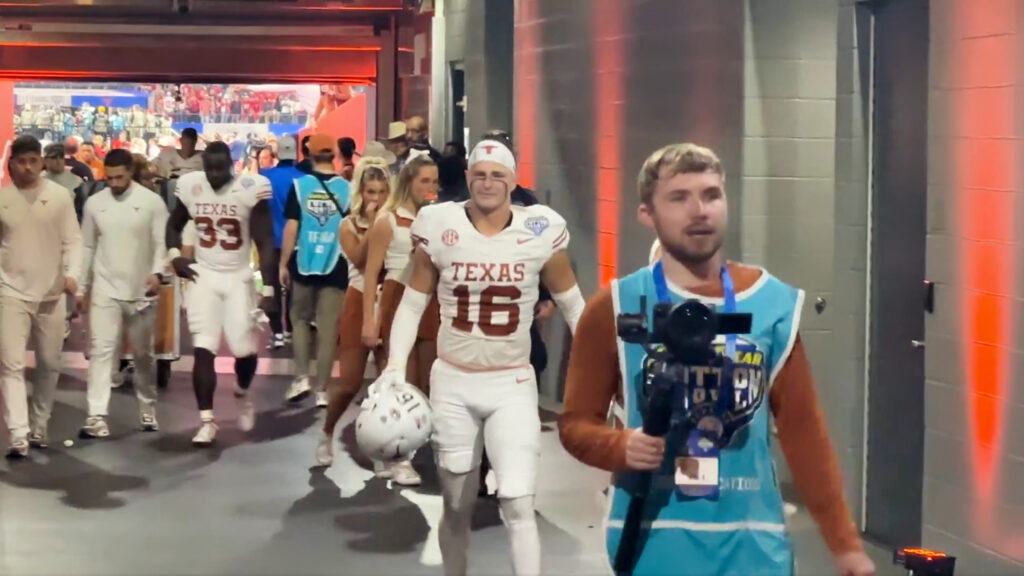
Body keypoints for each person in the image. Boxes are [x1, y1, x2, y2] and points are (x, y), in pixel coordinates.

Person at [557, 143, 876, 576]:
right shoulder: (614, 307)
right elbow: (575, 423)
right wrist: (620, 445)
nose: (699, 211)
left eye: (711, 195)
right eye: (679, 197)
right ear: (647, 214)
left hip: (752, 546)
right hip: (652, 542)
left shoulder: (771, 304)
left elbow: (805, 433)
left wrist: (844, 544)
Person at [372, 138, 586, 575]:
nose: (488, 182)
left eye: (498, 174)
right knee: (456, 505)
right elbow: (413, 304)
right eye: (480, 173)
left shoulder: (539, 229)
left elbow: (575, 307)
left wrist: (607, 369)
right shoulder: (439, 223)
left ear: (513, 180)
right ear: (468, 178)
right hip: (453, 381)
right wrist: (395, 366)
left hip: (512, 383)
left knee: (518, 500)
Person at [164, 142, 277, 446]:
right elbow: (173, 225)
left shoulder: (250, 188)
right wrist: (175, 255)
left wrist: (268, 286)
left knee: (244, 351)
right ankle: (206, 421)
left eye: (219, 168)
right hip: (205, 274)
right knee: (203, 347)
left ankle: (242, 390)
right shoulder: (191, 186)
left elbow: (264, 240)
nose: (214, 175)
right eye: (209, 168)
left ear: (231, 164)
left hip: (238, 275)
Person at [0, 135, 82, 457]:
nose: (29, 167)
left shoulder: (60, 197)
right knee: (11, 364)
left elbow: (73, 240)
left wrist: (73, 275)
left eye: (34, 160)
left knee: (49, 364)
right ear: (12, 164)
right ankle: (18, 434)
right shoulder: (2, 199)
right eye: (22, 161)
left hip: (52, 294)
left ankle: (39, 425)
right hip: (10, 292)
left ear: (42, 162)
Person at [76, 149, 168, 437]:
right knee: (101, 351)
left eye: (120, 177)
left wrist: (157, 273)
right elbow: (87, 247)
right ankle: (96, 416)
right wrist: (81, 287)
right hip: (105, 289)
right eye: (109, 177)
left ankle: (147, 407)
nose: (114, 183)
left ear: (130, 172)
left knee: (143, 356)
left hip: (141, 292)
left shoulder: (152, 202)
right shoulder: (94, 204)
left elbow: (161, 241)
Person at [360, 154, 440, 486]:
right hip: (396, 296)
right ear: (408, 181)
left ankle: (411, 449)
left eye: (435, 181)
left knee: (426, 382)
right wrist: (369, 320)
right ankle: (391, 454)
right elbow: (369, 274)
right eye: (425, 181)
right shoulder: (387, 220)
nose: (431, 188)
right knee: (395, 379)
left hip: (429, 303)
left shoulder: (437, 218)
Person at [318, 156, 391, 465]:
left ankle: (387, 450)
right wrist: (375, 225)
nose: (376, 198)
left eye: (381, 192)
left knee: (389, 383)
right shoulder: (347, 224)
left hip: (389, 301)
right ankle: (326, 432)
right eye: (370, 192)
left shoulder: (396, 223)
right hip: (357, 300)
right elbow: (361, 259)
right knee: (349, 383)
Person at [278, 134, 350, 406]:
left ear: (308, 153)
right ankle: (321, 390)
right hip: (336, 262)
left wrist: (284, 263)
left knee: (298, 320)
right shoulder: (347, 188)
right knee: (329, 327)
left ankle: (301, 378)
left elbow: (292, 227)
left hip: (304, 261)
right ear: (333, 154)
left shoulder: (300, 186)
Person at [261, 135, 304, 348]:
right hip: (298, 242)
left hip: (271, 241)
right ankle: (292, 330)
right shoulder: (304, 178)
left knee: (273, 288)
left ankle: (277, 331)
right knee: (296, 291)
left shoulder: (265, 176)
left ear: (278, 154)